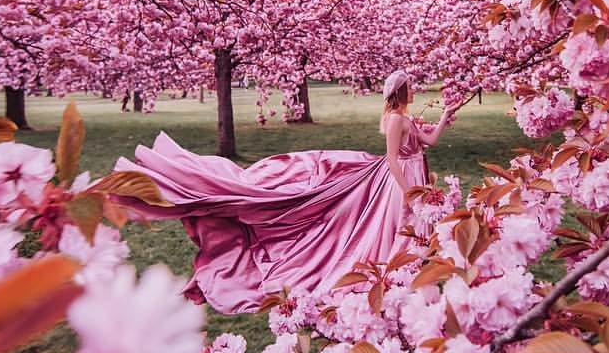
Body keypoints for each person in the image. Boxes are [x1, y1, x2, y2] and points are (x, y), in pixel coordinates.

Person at [112, 71, 460, 313]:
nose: (415, 91)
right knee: (397, 227)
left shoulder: (407, 118)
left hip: (417, 174)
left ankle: (415, 270)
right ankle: (402, 272)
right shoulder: (397, 121)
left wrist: (444, 116)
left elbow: (429, 142)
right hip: (401, 180)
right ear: (400, 93)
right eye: (410, 87)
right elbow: (391, 159)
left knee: (415, 228)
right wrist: (409, 191)